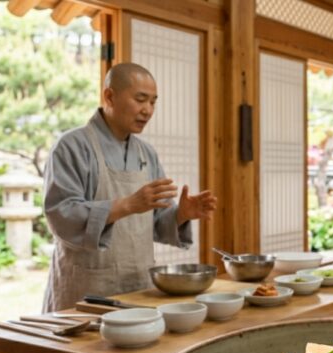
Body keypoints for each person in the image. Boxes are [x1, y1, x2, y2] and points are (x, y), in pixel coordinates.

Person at [42, 63, 217, 311]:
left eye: (153, 102)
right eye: (140, 99)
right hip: (86, 291)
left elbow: (155, 222)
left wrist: (181, 214)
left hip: (137, 286)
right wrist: (127, 205)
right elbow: (61, 215)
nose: (147, 110)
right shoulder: (71, 146)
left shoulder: (146, 153)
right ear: (109, 96)